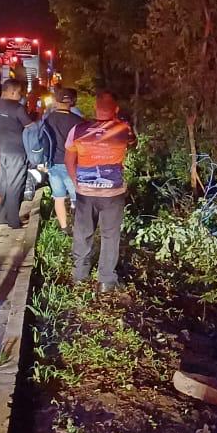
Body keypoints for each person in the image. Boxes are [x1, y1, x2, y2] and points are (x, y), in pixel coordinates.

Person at [65, 91, 136, 291]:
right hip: (112, 194)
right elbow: (133, 143)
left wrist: (75, 181)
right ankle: (106, 280)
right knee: (110, 235)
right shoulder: (124, 129)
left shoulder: (78, 130)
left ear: (95, 108)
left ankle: (80, 275)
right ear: (116, 109)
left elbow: (69, 159)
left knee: (83, 232)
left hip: (85, 192)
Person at [0, 78, 31, 228]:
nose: (20, 96)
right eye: (19, 93)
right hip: (16, 151)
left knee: (2, 185)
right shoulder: (17, 108)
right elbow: (30, 127)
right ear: (12, 92)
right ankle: (13, 220)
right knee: (15, 186)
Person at [44, 88, 82, 230]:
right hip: (73, 164)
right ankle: (79, 227)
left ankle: (64, 227)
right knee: (78, 198)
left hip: (54, 163)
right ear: (72, 102)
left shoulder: (48, 119)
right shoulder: (78, 121)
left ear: (56, 101)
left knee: (58, 197)